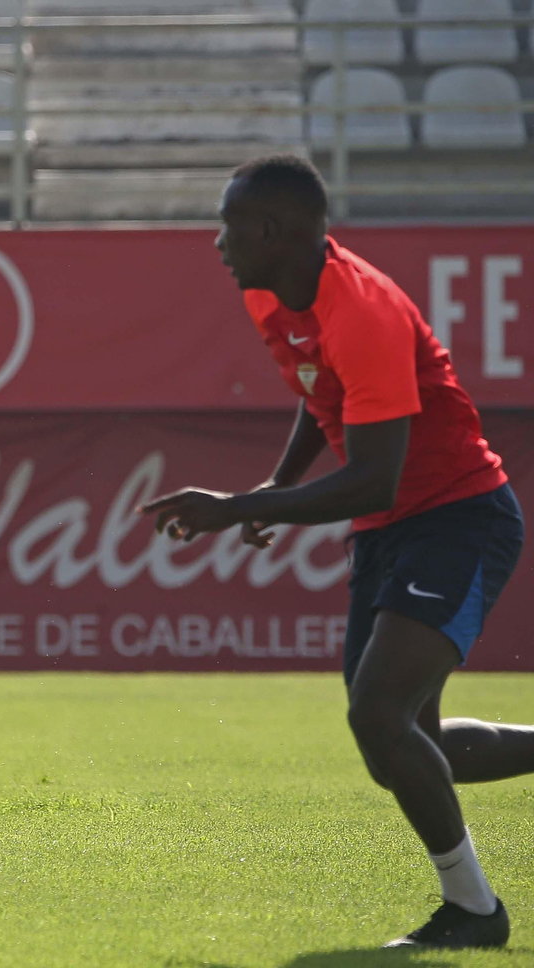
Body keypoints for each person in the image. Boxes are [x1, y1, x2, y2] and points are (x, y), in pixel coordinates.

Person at [143, 155, 531, 949]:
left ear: (271, 231)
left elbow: (373, 478)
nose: (218, 242)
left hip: (459, 518)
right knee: (404, 745)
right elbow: (321, 391)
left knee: (379, 716)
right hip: (392, 529)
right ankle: (472, 909)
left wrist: (240, 507)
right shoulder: (269, 293)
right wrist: (277, 484)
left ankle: (475, 912)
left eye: (228, 225)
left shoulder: (364, 309)